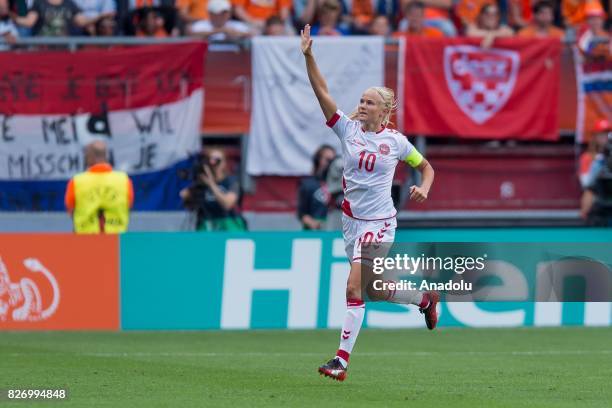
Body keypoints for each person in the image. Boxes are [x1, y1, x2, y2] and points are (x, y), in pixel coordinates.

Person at [301, 24, 437, 382]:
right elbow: (323, 92)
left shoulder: (396, 142)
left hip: (379, 224)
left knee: (353, 287)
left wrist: (424, 185)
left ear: (384, 111)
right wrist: (309, 56)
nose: (361, 106)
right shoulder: (347, 130)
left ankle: (340, 361)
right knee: (375, 290)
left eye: (369, 102)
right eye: (361, 100)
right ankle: (423, 300)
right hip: (351, 222)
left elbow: (425, 167)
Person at [65, 141, 134, 234]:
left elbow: (70, 209)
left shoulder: (76, 181)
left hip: (85, 240)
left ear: (91, 157)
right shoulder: (124, 180)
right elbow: (128, 205)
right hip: (117, 240)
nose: (85, 159)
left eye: (86, 155)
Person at [179, 148, 246, 231]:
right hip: (206, 226)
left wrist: (211, 184)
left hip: (228, 225)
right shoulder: (201, 184)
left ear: (224, 163)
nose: (213, 163)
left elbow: (227, 204)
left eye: (217, 160)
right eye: (210, 160)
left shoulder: (232, 182)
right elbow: (185, 197)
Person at [297, 144, 336, 230]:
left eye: (333, 161)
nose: (330, 164)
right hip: (313, 235)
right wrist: (314, 224)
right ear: (318, 160)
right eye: (328, 160)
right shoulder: (307, 184)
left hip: (334, 229)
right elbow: (302, 213)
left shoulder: (340, 185)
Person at [579, 118, 611, 220]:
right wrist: (598, 164)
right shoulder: (587, 157)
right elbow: (586, 182)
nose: (605, 138)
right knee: (589, 191)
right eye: (601, 135)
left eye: (607, 134)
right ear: (595, 137)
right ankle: (583, 221)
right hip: (600, 191)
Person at [13, 0, 98, 36]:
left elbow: (81, 21)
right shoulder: (39, 3)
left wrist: (101, 16)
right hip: (43, 48)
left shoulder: (69, 4)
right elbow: (29, 22)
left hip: (64, 48)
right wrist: (10, 16)